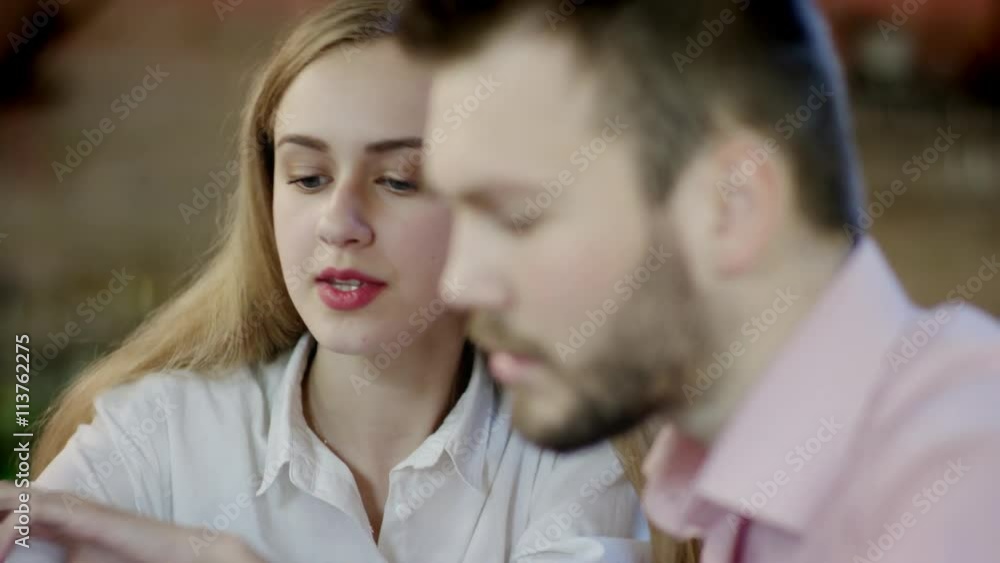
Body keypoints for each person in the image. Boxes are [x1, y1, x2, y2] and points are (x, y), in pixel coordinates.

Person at [0, 1, 650, 561]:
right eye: (308, 178)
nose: (340, 224)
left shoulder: (571, 452)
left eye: (399, 180)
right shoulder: (153, 437)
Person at [391, 0, 1000, 561]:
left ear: (730, 206)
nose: (458, 284)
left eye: (516, 216)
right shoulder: (741, 500)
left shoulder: (964, 476)